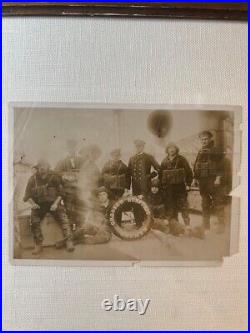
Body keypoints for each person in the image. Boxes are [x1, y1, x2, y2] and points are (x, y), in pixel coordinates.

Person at [23, 159, 74, 254]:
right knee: (34, 221)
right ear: (38, 168)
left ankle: (68, 241)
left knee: (64, 219)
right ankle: (38, 245)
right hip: (39, 205)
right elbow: (27, 196)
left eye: (44, 165)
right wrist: (33, 204)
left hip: (53, 204)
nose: (42, 168)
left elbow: (61, 193)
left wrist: (55, 204)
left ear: (47, 167)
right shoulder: (32, 179)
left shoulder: (54, 178)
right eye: (40, 166)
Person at [193, 130, 225, 231]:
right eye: (202, 139)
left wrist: (219, 178)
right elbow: (196, 165)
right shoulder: (200, 151)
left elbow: (221, 165)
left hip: (213, 180)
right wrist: (195, 178)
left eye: (206, 139)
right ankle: (205, 225)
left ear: (210, 139)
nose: (204, 141)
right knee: (205, 203)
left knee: (218, 202)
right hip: (203, 181)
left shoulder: (216, 150)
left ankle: (221, 225)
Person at [159, 143, 193, 226]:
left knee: (183, 206)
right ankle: (176, 226)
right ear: (167, 150)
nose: (171, 150)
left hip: (180, 187)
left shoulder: (182, 159)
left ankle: (187, 225)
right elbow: (160, 175)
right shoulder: (164, 161)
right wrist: (162, 187)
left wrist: (188, 184)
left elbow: (189, 172)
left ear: (176, 149)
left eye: (173, 148)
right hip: (169, 189)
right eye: (169, 148)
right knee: (171, 206)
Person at [55, 139, 83, 229]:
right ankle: (71, 231)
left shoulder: (81, 160)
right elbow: (56, 172)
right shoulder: (62, 161)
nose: (72, 150)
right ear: (67, 149)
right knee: (69, 210)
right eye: (70, 148)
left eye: (73, 148)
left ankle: (80, 231)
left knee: (80, 209)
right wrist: (65, 176)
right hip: (68, 190)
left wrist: (80, 175)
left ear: (76, 148)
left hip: (79, 190)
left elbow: (86, 171)